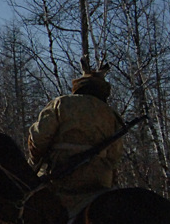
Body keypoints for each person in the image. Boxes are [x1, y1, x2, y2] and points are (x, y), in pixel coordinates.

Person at [27, 68, 125, 214]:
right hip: (100, 182)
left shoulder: (60, 104)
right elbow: (115, 155)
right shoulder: (111, 114)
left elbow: (38, 139)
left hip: (61, 181)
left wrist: (35, 163)